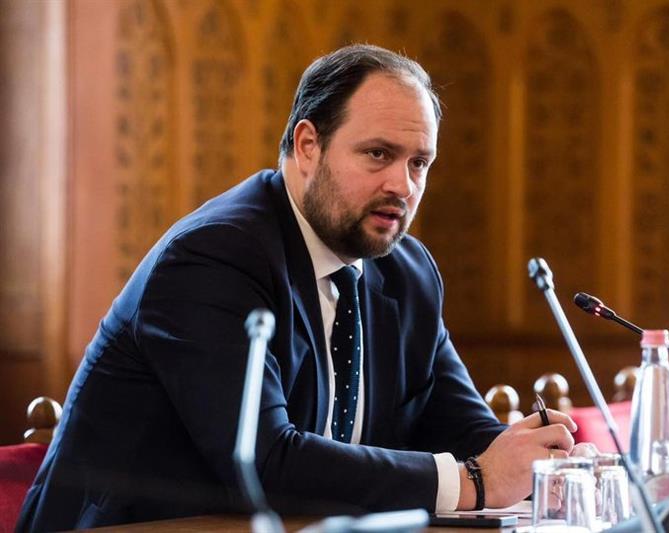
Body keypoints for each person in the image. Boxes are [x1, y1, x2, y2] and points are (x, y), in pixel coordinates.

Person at [17, 44, 578, 531]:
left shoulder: (406, 272)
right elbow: (263, 464)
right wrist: (473, 482)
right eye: (378, 154)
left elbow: (464, 431)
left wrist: (543, 461)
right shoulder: (215, 257)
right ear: (308, 145)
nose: (403, 185)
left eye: (419, 163)